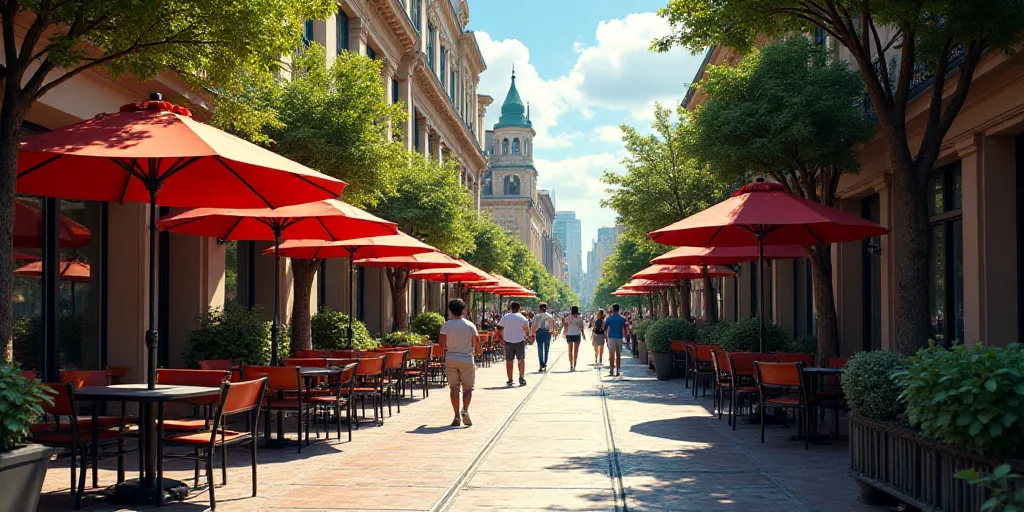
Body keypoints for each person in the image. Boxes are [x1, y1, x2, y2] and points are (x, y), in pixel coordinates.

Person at [439, 299, 477, 427]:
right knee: (468, 388)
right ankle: (465, 410)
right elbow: (477, 344)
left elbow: (441, 344)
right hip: (466, 359)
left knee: (454, 388)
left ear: (450, 311)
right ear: (464, 310)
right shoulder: (470, 325)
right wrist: (477, 352)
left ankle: (456, 416)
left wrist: (441, 356)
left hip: (451, 358)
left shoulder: (446, 325)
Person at [498, 301, 530, 386]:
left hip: (508, 341)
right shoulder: (522, 318)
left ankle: (510, 379)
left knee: (509, 361)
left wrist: (500, 337)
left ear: (510, 308)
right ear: (519, 308)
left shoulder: (505, 317)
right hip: (520, 341)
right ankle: (521, 377)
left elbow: (499, 328)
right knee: (521, 360)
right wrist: (527, 336)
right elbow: (526, 329)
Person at [604, 303, 628, 377]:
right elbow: (624, 328)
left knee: (611, 354)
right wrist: (626, 336)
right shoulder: (622, 319)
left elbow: (605, 329)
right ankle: (618, 370)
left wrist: (606, 338)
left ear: (613, 309)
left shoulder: (609, 319)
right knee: (618, 355)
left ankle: (611, 370)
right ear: (618, 309)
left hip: (611, 338)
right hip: (619, 338)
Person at [532, 303, 556, 371]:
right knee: (546, 349)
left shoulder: (536, 316)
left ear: (539, 308)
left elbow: (533, 326)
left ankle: (541, 364)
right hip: (547, 333)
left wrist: (533, 333)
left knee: (540, 349)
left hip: (539, 332)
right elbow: (551, 325)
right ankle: (544, 363)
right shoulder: (550, 316)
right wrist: (551, 331)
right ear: (546, 308)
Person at [561, 306, 585, 371]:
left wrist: (564, 333)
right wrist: (583, 334)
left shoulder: (567, 318)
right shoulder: (579, 318)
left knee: (570, 351)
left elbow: (565, 326)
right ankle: (574, 364)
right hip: (577, 335)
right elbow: (581, 327)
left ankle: (571, 365)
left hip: (569, 335)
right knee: (576, 351)